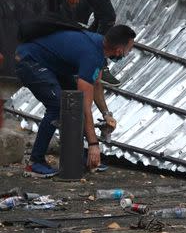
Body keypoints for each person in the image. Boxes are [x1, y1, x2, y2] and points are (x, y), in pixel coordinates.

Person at [14, 24, 136, 177]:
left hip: (50, 63)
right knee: (58, 106)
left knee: (73, 100)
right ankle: (35, 162)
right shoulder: (92, 54)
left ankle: (77, 159)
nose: (127, 53)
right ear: (119, 50)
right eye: (129, 50)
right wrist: (93, 145)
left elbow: (96, 84)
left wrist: (106, 114)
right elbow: (85, 106)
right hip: (29, 60)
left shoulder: (99, 47)